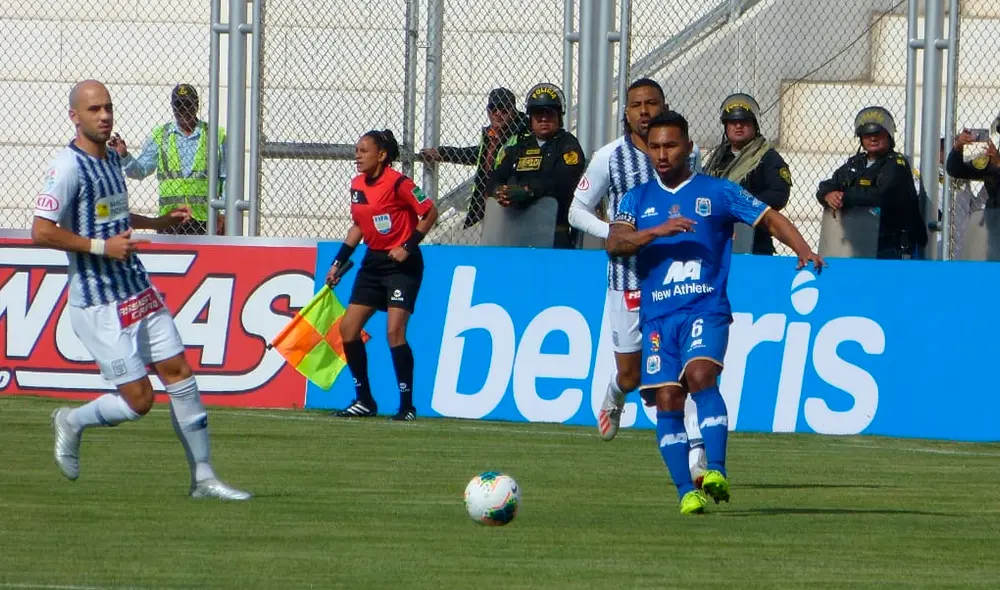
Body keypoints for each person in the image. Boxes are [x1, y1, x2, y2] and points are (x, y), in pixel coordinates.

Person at [35, 80, 250, 500]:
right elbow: (41, 231)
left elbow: (112, 213)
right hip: (98, 301)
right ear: (74, 116)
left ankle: (204, 479)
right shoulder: (67, 167)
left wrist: (157, 223)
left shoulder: (112, 161)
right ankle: (71, 421)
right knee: (139, 401)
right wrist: (102, 247)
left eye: (108, 107)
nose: (104, 116)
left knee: (180, 373)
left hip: (136, 287)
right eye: (94, 109)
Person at [606, 111, 824, 515]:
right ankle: (685, 492)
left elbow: (769, 219)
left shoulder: (719, 192)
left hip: (705, 307)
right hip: (658, 317)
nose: (662, 154)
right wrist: (656, 232)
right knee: (668, 398)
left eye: (670, 146)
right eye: (655, 147)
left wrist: (803, 249)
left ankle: (716, 469)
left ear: (689, 147)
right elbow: (615, 244)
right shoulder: (636, 198)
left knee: (701, 375)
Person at [567, 78, 706, 486]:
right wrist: (614, 232)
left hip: (674, 278)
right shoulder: (609, 157)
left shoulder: (688, 152)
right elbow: (577, 210)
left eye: (652, 103)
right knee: (631, 376)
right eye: (636, 105)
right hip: (626, 277)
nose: (644, 111)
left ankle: (697, 454)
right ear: (625, 113)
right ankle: (615, 395)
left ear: (664, 106)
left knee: (679, 370)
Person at [326, 129, 439, 422]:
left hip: (402, 265)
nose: (358, 156)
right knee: (348, 329)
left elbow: (430, 212)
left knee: (394, 332)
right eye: (357, 151)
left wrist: (407, 246)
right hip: (373, 263)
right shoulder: (356, 185)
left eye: (364, 151)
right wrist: (338, 263)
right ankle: (364, 400)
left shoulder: (399, 183)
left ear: (382, 155)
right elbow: (359, 226)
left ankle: (407, 406)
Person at [111, 84, 226, 235]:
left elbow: (226, 178)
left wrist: (224, 213)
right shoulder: (160, 135)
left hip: (206, 219)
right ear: (172, 107)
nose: (183, 110)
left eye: (188, 104)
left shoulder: (215, 134)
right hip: (169, 220)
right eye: (179, 105)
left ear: (197, 105)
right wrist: (124, 155)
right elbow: (140, 171)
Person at [816, 106, 927, 259]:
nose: (873, 139)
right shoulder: (856, 163)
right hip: (860, 244)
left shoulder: (896, 165)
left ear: (888, 135)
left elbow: (881, 195)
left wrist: (844, 196)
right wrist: (828, 195)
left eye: (878, 133)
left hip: (893, 247)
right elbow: (829, 184)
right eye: (867, 135)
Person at [488, 83, 586, 248]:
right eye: (538, 113)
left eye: (549, 113)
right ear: (530, 118)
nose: (544, 119)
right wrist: (499, 191)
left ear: (559, 117)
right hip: (517, 231)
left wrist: (528, 191)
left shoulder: (568, 145)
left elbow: (564, 181)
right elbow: (495, 177)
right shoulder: (519, 147)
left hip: (553, 232)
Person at [419, 87, 527, 228]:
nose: (498, 114)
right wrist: (444, 153)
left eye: (504, 109)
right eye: (493, 109)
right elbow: (478, 155)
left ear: (513, 111)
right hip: (483, 203)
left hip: (508, 203)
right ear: (488, 111)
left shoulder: (523, 134)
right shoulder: (491, 135)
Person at [703, 93, 792, 255]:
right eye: (732, 122)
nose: (738, 126)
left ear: (754, 125)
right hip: (716, 237)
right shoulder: (717, 158)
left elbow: (779, 195)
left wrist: (740, 205)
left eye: (744, 121)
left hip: (754, 238)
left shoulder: (767, 158)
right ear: (725, 126)